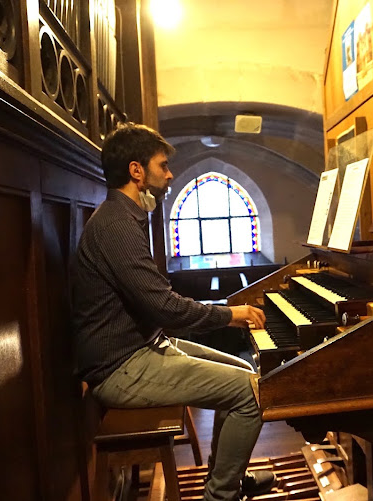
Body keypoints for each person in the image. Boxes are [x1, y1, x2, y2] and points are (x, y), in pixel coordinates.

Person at [70, 122, 273, 501]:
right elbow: (165, 307)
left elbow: (156, 301)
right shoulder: (115, 226)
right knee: (251, 394)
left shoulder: (127, 218)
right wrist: (232, 313)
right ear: (136, 171)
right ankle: (221, 495)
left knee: (246, 371)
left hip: (142, 348)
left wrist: (226, 311)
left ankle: (225, 477)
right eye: (162, 166)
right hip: (120, 368)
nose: (169, 174)